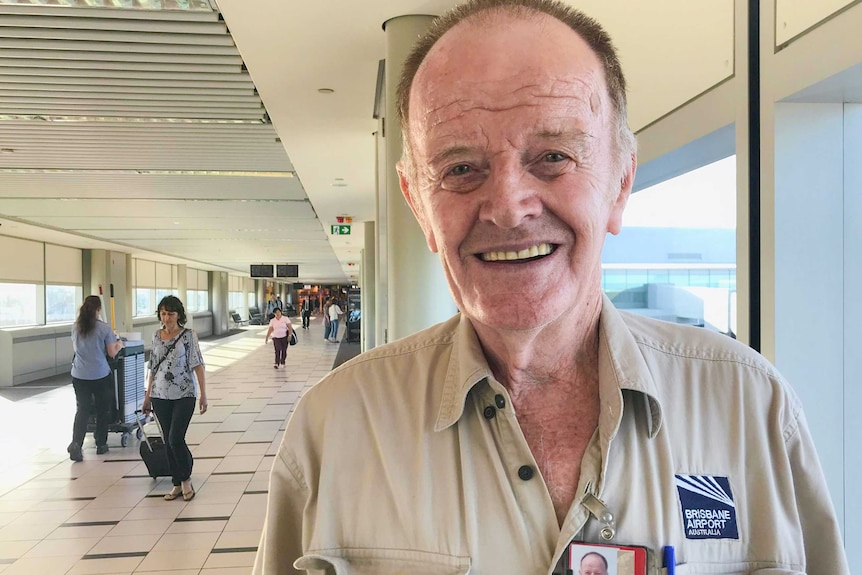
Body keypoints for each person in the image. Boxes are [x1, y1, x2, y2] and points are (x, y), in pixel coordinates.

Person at [254, 1, 850, 574]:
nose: (509, 208)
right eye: (461, 168)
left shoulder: (750, 409)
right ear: (418, 204)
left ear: (620, 183)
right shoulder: (333, 432)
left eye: (554, 157)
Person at [142, 295, 208, 502]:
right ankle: (176, 483)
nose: (167, 317)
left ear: (178, 314)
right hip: (160, 395)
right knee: (168, 441)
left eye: (170, 313)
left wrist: (203, 394)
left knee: (175, 438)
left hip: (184, 393)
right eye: (163, 313)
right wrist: (147, 397)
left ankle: (186, 478)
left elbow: (197, 364)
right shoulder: (156, 336)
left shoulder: (188, 335)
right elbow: (153, 367)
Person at [68, 295, 124, 461]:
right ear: (98, 310)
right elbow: (112, 352)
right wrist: (119, 343)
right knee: (102, 409)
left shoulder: (75, 326)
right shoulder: (104, 328)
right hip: (99, 374)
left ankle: (76, 443)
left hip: (79, 375)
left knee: (83, 409)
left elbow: (77, 349)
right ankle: (101, 444)